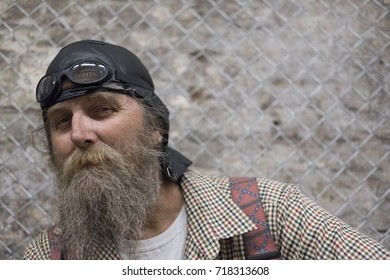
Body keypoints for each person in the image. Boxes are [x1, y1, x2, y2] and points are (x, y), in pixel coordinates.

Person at [24, 39, 390, 260]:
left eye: (101, 110)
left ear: (155, 130)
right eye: (60, 121)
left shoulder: (268, 213)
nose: (78, 133)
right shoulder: (49, 257)